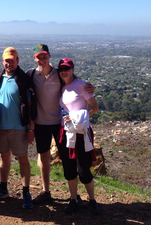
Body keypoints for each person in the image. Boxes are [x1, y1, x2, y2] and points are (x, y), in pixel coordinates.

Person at [27, 44, 95, 204]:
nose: (42, 60)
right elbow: (15, 80)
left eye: (44, 56)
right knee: (43, 157)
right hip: (40, 123)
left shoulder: (59, 74)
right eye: (39, 57)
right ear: (34, 58)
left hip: (60, 124)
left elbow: (75, 85)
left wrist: (90, 87)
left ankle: (74, 195)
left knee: (68, 158)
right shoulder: (30, 75)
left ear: (49, 56)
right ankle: (46, 191)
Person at [0, 47, 35, 209]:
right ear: (3, 61)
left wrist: (31, 129)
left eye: (12, 60)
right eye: (6, 60)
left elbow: (30, 105)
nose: (9, 63)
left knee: (23, 159)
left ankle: (26, 192)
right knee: (4, 158)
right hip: (0, 127)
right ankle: (3, 188)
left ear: (18, 61)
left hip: (19, 127)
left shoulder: (22, 79)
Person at [57, 57, 101, 215]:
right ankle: (73, 199)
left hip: (81, 133)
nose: (64, 72)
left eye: (66, 69)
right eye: (61, 69)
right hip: (67, 132)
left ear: (73, 69)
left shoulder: (81, 85)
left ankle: (92, 200)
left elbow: (95, 107)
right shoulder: (62, 86)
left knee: (83, 168)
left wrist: (77, 119)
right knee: (69, 168)